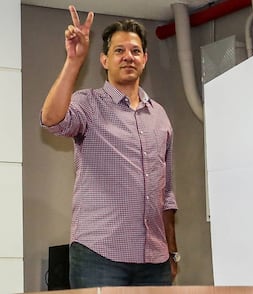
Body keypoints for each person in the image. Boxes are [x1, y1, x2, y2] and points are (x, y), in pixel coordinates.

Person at [41, 5, 179, 288]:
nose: (128, 56)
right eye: (119, 51)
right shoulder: (88, 103)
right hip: (99, 256)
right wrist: (73, 61)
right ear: (104, 60)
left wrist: (172, 252)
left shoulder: (160, 116)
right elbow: (52, 120)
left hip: (155, 260)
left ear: (145, 59)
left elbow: (166, 194)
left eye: (135, 50)